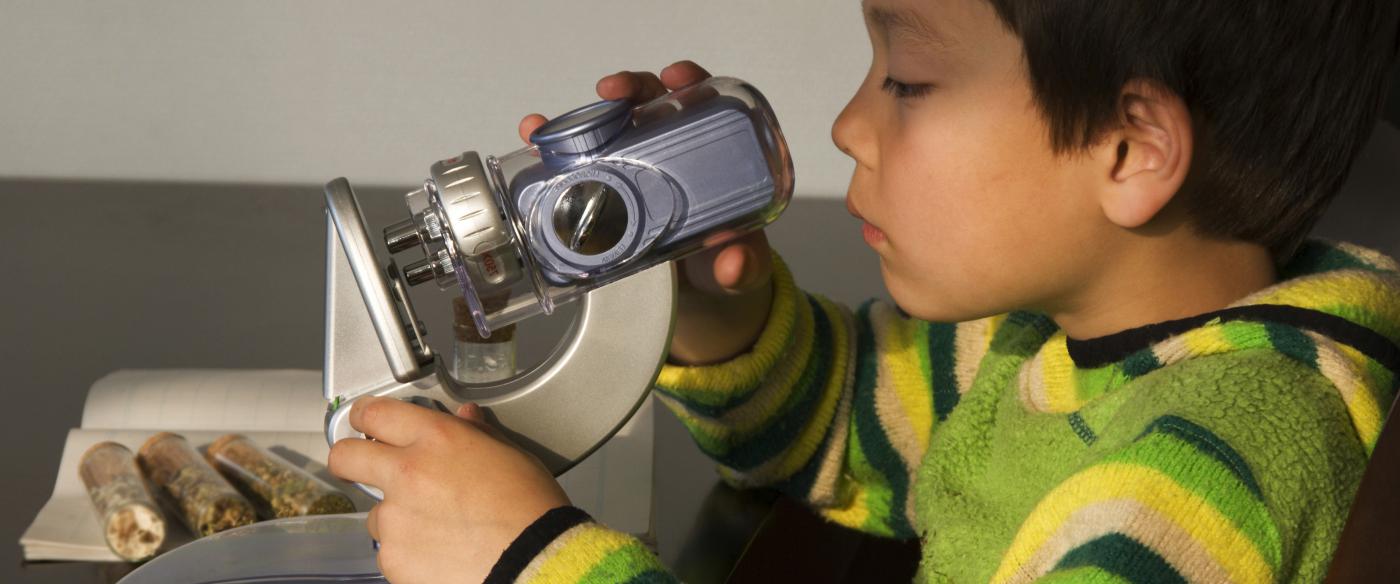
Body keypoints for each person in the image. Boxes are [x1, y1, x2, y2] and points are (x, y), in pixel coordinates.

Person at [328, 0, 1400, 581]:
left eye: (908, 81)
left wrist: (533, 559)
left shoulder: (1190, 485)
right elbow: (859, 428)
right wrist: (703, 304)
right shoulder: (1071, 341)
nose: (846, 127)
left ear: (1127, 148)